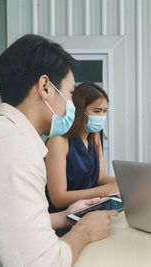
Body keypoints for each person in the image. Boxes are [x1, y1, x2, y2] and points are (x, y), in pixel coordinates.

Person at [0, 34, 118, 266]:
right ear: (45, 87)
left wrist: (64, 217)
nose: (71, 105)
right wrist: (84, 231)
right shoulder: (12, 147)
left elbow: (12, 222)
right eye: (69, 93)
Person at [45, 83, 119, 225]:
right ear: (80, 111)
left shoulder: (94, 136)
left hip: (90, 215)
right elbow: (58, 198)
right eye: (97, 111)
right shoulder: (58, 141)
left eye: (105, 111)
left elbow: (101, 178)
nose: (102, 116)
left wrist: (123, 183)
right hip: (63, 221)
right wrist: (104, 191)